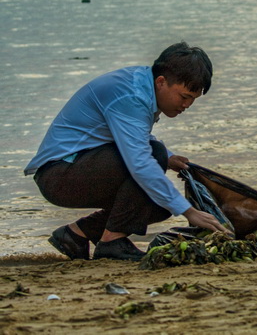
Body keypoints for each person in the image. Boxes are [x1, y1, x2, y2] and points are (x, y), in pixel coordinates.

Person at [24, 42, 231, 261]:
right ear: (161, 82)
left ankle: (75, 234)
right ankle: (111, 242)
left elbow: (131, 135)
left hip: (76, 168)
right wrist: (189, 211)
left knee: (158, 206)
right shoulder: (131, 96)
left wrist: (169, 157)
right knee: (154, 157)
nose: (187, 105)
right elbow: (140, 161)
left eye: (192, 100)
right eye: (184, 96)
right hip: (59, 175)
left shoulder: (142, 86)